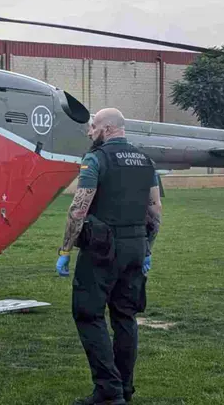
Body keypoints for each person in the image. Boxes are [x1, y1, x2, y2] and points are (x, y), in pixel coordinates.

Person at [55, 108, 162, 405]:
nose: (90, 132)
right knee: (125, 317)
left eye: (93, 127)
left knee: (88, 314)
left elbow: (79, 208)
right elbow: (155, 212)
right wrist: (147, 248)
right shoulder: (146, 161)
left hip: (102, 250)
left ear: (107, 128)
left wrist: (65, 249)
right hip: (136, 247)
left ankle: (108, 390)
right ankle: (125, 388)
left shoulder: (96, 159)